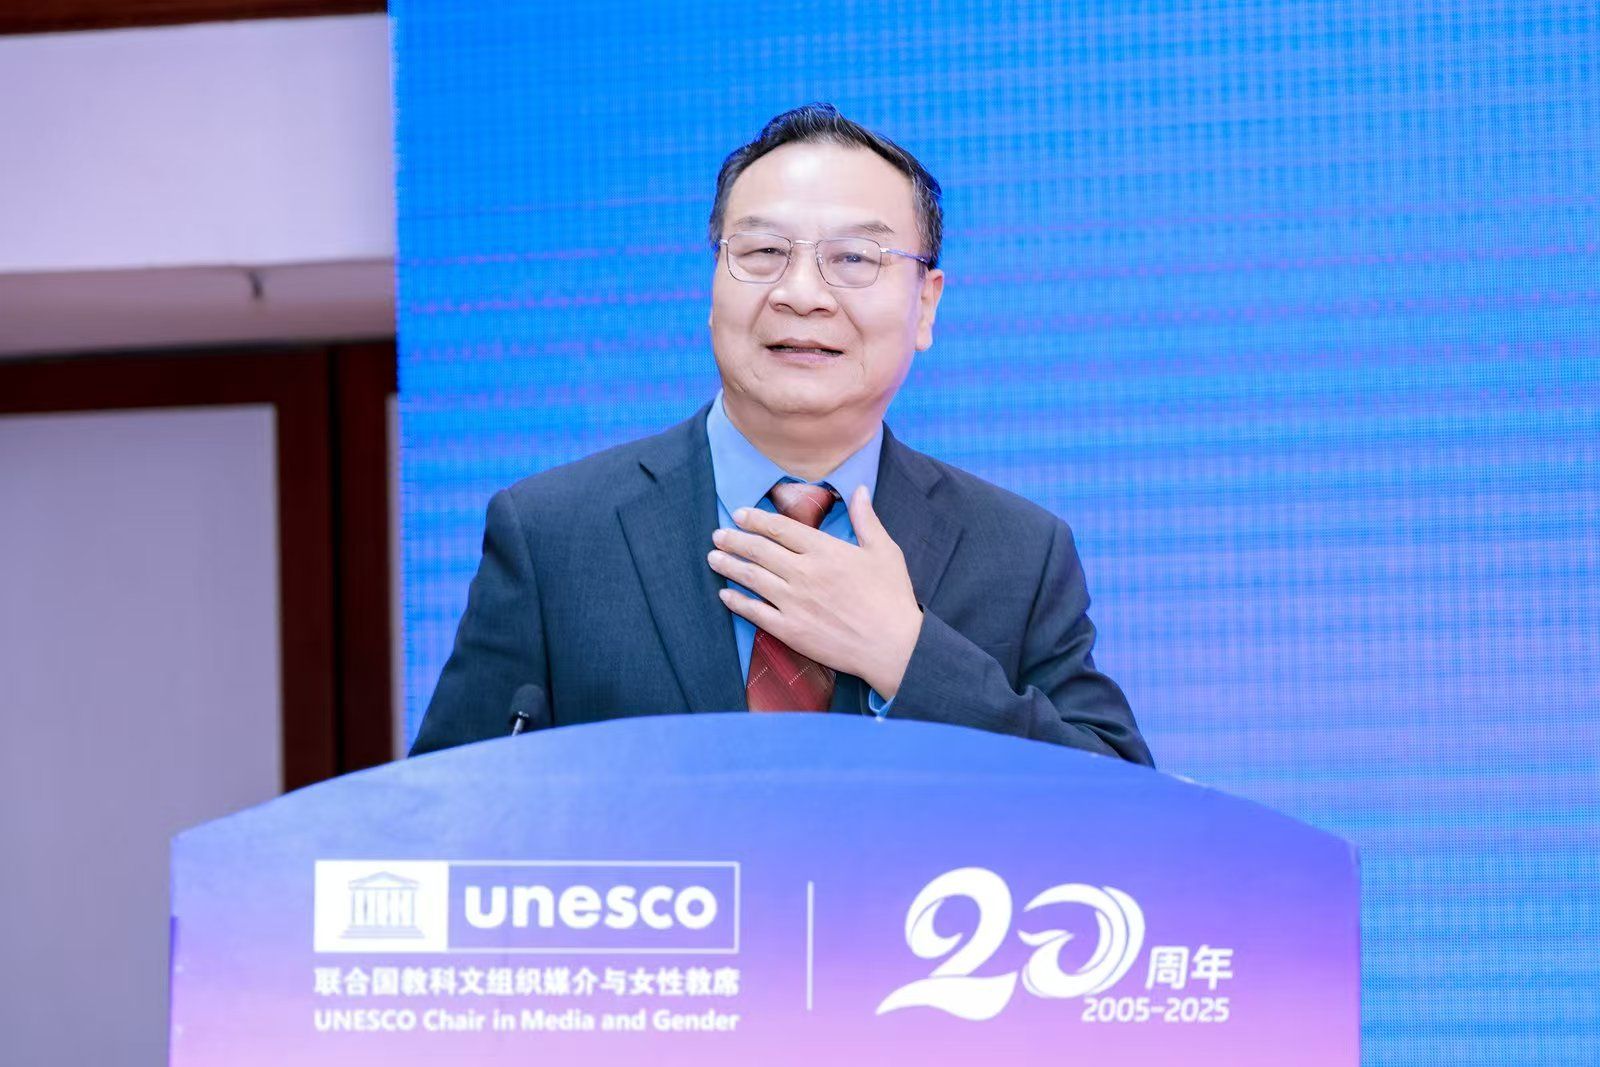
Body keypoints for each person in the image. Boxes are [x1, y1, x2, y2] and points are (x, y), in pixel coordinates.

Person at [410, 103, 1153, 767]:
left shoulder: (1020, 551)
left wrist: (907, 655)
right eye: (763, 253)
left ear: (926, 305)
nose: (800, 294)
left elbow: (1125, 812)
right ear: (714, 284)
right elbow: (442, 820)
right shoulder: (554, 533)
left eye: (854, 259)